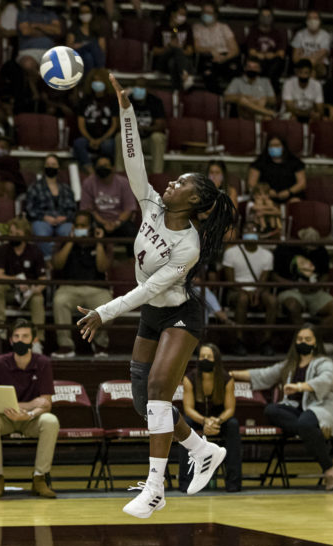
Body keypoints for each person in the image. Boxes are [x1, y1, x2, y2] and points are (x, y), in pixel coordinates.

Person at [76, 73, 235, 519]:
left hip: (181, 315)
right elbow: (133, 158)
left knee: (161, 395)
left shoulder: (189, 246)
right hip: (152, 314)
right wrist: (125, 110)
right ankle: (203, 449)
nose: (172, 184)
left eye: (182, 182)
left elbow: (149, 288)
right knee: (144, 401)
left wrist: (104, 314)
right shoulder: (150, 204)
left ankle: (156, 488)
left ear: (196, 200)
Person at [229, 324, 333, 491]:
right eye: (299, 339)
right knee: (271, 410)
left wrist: (299, 387)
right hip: (295, 410)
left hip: (320, 408)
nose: (302, 342)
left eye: (307, 339)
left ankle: (329, 469)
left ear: (315, 343)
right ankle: (311, 433)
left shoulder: (324, 362)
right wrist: (234, 374)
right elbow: (264, 374)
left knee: (305, 422)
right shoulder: (290, 364)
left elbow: (326, 380)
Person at [0, 318, 58, 498]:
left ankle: (39, 478)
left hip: (30, 419)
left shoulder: (43, 363)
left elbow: (46, 403)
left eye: (25, 336)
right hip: (5, 417)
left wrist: (29, 413)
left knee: (51, 421)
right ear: (10, 340)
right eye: (16, 336)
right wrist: (31, 404)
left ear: (34, 340)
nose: (20, 340)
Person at [179, 343, 242, 493]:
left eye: (208, 357)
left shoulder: (226, 379)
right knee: (184, 425)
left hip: (219, 420)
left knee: (233, 425)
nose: (205, 359)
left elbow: (230, 409)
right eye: (202, 357)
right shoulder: (190, 378)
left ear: (216, 360)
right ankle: (186, 483)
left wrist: (216, 421)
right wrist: (204, 421)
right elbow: (188, 409)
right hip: (198, 419)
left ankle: (233, 483)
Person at [51, 212, 111, 358]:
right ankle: (66, 346)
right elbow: (57, 264)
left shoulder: (102, 242)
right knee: (59, 301)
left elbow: (102, 267)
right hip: (69, 287)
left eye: (83, 225)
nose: (80, 228)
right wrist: (71, 242)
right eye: (77, 225)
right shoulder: (65, 241)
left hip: (96, 288)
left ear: (91, 227)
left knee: (108, 305)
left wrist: (98, 242)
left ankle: (100, 344)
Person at [0, 218, 47, 353]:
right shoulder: (3, 250)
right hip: (11, 290)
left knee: (38, 298)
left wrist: (35, 289)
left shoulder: (35, 251)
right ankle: (1, 325)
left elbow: (43, 279)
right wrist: (15, 280)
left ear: (26, 235)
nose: (13, 236)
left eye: (17, 234)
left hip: (28, 293)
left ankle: (37, 340)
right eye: (11, 233)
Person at [272, 227, 333, 330]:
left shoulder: (321, 250)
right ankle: (305, 341)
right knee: (292, 306)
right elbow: (274, 276)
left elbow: (325, 274)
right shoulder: (284, 249)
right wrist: (293, 285)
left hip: (314, 290)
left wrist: (316, 286)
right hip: (290, 289)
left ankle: (316, 338)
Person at [222, 221, 276, 356]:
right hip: (236, 290)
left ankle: (266, 341)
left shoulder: (267, 255)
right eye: (247, 230)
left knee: (272, 301)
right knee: (243, 298)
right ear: (242, 233)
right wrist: (246, 291)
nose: (250, 232)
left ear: (258, 234)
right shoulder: (231, 252)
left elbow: (263, 281)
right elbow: (231, 281)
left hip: (258, 289)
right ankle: (238, 341)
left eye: (253, 230)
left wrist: (256, 293)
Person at [79, 155, 137, 251]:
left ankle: (133, 261)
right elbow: (88, 210)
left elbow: (129, 209)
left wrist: (116, 223)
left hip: (120, 221)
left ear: (113, 168)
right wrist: (103, 222)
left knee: (131, 231)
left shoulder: (124, 182)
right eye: (99, 166)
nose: (102, 168)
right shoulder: (88, 183)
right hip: (98, 221)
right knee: (86, 230)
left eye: (105, 165)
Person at [24, 154, 76, 259]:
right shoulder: (35, 186)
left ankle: (64, 259)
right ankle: (51, 260)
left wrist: (65, 218)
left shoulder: (66, 188)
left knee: (70, 232)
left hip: (63, 221)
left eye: (53, 164)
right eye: (48, 164)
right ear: (44, 167)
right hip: (42, 220)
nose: (50, 166)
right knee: (41, 234)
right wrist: (44, 217)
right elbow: (29, 208)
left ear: (58, 167)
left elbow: (73, 209)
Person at [74, 69, 118, 172]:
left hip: (106, 137)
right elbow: (81, 124)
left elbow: (114, 125)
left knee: (109, 145)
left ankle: (107, 169)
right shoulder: (85, 100)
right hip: (88, 137)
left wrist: (100, 140)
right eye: (94, 80)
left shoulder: (113, 100)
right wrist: (90, 139)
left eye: (100, 81)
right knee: (78, 143)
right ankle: (90, 171)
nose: (97, 83)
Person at [192, 2, 240, 93]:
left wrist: (224, 58)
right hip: (207, 58)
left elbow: (235, 49)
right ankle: (219, 98)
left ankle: (233, 99)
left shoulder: (224, 27)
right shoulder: (196, 28)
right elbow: (196, 47)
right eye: (204, 12)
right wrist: (210, 50)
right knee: (208, 75)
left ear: (215, 15)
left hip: (225, 57)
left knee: (235, 71)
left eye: (209, 13)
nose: (206, 15)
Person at [247, 136, 305, 204]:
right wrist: (267, 191)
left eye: (277, 145)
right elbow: (251, 183)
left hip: (290, 196)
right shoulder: (259, 162)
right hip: (266, 196)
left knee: (295, 202)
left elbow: (302, 183)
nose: (274, 148)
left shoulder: (295, 162)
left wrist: (289, 192)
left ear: (283, 147)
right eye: (271, 146)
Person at [152, 1, 195, 91]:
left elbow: (190, 51)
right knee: (174, 50)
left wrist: (178, 50)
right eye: (181, 14)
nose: (183, 17)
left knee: (173, 63)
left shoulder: (187, 28)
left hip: (177, 63)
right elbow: (154, 51)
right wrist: (169, 47)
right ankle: (185, 75)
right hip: (162, 62)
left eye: (184, 15)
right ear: (172, 13)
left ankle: (176, 92)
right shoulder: (160, 28)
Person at [127, 79, 168, 174]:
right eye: (136, 86)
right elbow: (119, 124)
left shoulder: (155, 102)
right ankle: (121, 174)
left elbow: (160, 125)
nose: (138, 89)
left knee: (157, 137)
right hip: (132, 141)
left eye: (141, 87)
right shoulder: (127, 101)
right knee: (119, 137)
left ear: (147, 89)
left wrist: (145, 128)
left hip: (148, 141)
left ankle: (157, 174)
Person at [246, 8, 286, 93]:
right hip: (258, 60)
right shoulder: (253, 32)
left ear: (272, 18)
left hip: (273, 62)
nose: (266, 19)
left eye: (268, 16)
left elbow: (281, 53)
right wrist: (260, 55)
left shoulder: (277, 33)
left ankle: (270, 91)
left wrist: (272, 55)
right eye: (263, 16)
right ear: (259, 17)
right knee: (256, 62)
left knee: (277, 62)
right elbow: (251, 52)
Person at [224, 57, 277, 121]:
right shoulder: (237, 81)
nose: (252, 69)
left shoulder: (265, 81)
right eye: (249, 67)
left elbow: (273, 100)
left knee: (264, 103)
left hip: (261, 111)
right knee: (242, 100)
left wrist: (261, 99)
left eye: (255, 67)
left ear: (259, 69)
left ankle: (263, 113)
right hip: (243, 112)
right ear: (245, 68)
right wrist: (245, 97)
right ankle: (268, 113)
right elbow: (226, 98)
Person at [15, 0, 61, 70]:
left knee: (64, 66)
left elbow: (57, 31)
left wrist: (36, 25)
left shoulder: (51, 14)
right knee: (28, 64)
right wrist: (48, 31)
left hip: (50, 51)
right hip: (28, 52)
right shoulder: (24, 13)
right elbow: (26, 32)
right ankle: (37, 79)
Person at [67, 1, 106, 71]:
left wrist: (80, 44)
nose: (84, 14)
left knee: (88, 56)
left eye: (87, 12)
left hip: (92, 58)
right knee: (92, 45)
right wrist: (83, 45)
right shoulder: (74, 29)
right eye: (82, 12)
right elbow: (69, 49)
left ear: (92, 13)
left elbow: (102, 49)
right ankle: (101, 70)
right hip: (77, 57)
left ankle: (91, 78)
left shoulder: (97, 30)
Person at [290, 11, 331, 78]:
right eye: (310, 18)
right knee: (308, 72)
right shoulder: (300, 35)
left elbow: (319, 56)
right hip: (301, 66)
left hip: (320, 66)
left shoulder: (325, 36)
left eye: (315, 18)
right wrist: (306, 61)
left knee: (311, 71)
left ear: (320, 21)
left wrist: (304, 58)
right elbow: (295, 58)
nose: (312, 21)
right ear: (306, 21)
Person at [281, 59, 322, 123]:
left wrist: (314, 114)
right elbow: (289, 108)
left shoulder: (317, 85)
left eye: (306, 73)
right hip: (292, 115)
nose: (303, 76)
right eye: (300, 72)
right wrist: (307, 113)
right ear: (296, 72)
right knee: (292, 118)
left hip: (309, 116)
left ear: (311, 73)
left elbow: (320, 109)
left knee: (318, 118)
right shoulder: (288, 83)